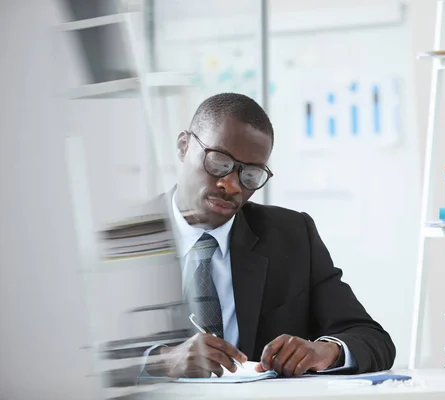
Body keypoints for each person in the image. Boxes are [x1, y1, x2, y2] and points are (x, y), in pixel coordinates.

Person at [145, 93, 395, 379]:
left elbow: (374, 340)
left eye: (249, 175)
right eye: (218, 162)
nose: (230, 185)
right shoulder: (121, 237)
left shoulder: (291, 236)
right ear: (183, 147)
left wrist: (324, 351)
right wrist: (160, 361)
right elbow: (86, 357)